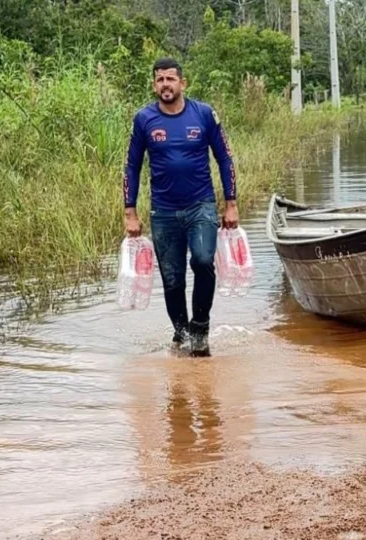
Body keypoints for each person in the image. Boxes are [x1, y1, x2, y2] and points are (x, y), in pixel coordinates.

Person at [122, 57, 239, 357]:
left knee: (202, 260)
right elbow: (132, 166)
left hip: (201, 206)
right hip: (163, 212)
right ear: (154, 85)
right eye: (159, 80)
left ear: (182, 83)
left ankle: (200, 327)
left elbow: (224, 158)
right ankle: (182, 333)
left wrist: (231, 204)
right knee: (172, 280)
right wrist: (130, 212)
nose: (165, 85)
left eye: (170, 79)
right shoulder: (144, 119)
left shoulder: (204, 114)